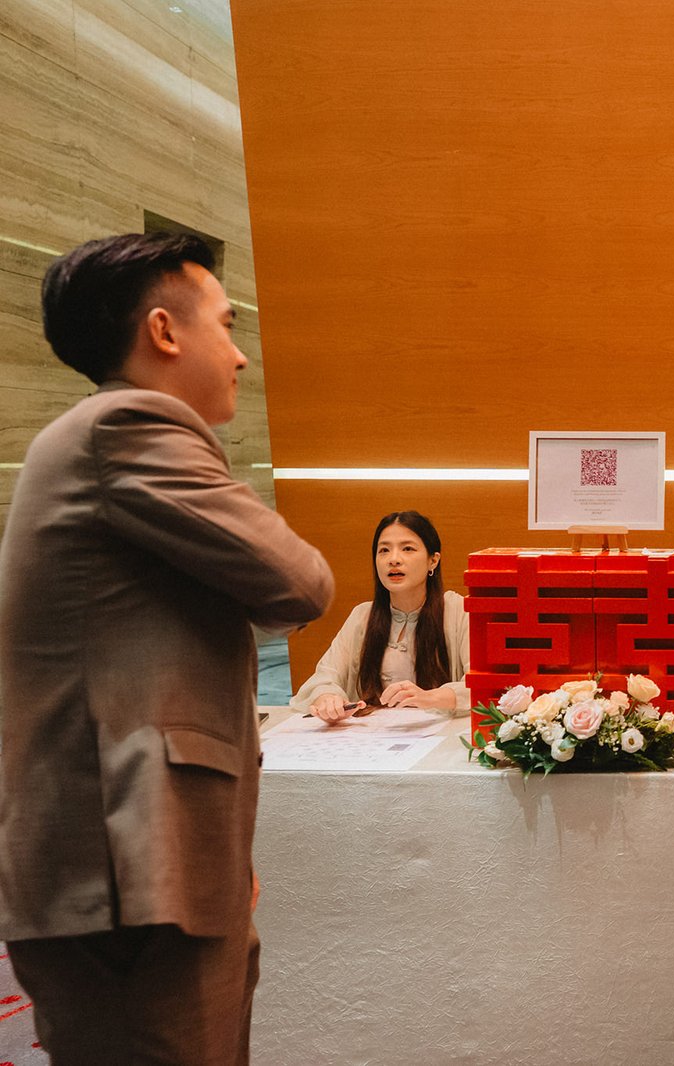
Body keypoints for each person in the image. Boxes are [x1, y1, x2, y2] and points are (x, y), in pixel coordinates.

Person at [0, 232, 334, 1064]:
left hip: (152, 864)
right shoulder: (130, 424)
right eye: (226, 324)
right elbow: (300, 582)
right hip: (126, 873)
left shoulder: (97, 434)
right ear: (163, 331)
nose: (241, 356)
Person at [291, 510, 471, 722]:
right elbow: (325, 676)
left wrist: (431, 697)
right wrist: (328, 698)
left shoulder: (459, 611)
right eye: (384, 550)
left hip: (443, 734)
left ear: (433, 560)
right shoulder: (362, 616)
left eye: (408, 549)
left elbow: (485, 687)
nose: (393, 559)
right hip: (373, 735)